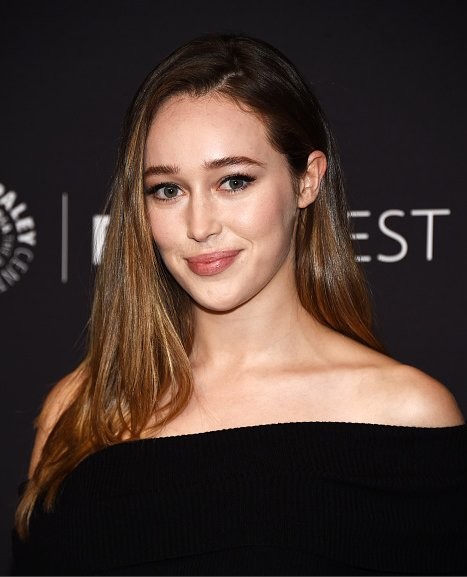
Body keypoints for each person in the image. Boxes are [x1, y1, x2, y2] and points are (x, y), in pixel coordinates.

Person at [12, 33, 467, 575]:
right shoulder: (83, 406)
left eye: (233, 181)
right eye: (168, 190)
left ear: (307, 180)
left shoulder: (405, 416)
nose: (200, 225)